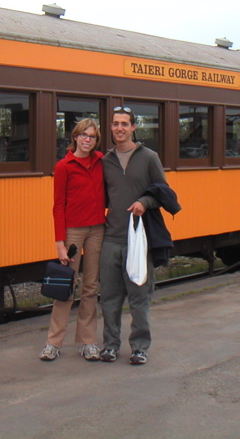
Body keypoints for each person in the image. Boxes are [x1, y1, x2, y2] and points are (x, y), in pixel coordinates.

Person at [99, 106, 167, 365]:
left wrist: (144, 202)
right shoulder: (105, 161)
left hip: (139, 239)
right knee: (109, 298)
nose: (119, 128)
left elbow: (163, 192)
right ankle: (110, 345)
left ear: (134, 127)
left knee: (139, 298)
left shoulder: (149, 157)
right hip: (111, 238)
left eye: (124, 124)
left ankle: (139, 347)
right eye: (115, 124)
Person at [40, 118, 106, 361]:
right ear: (75, 137)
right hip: (73, 232)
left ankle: (88, 342)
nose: (88, 140)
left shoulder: (101, 162)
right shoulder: (64, 166)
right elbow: (58, 206)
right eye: (84, 135)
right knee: (65, 288)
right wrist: (60, 242)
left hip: (98, 229)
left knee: (90, 288)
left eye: (92, 136)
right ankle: (53, 343)